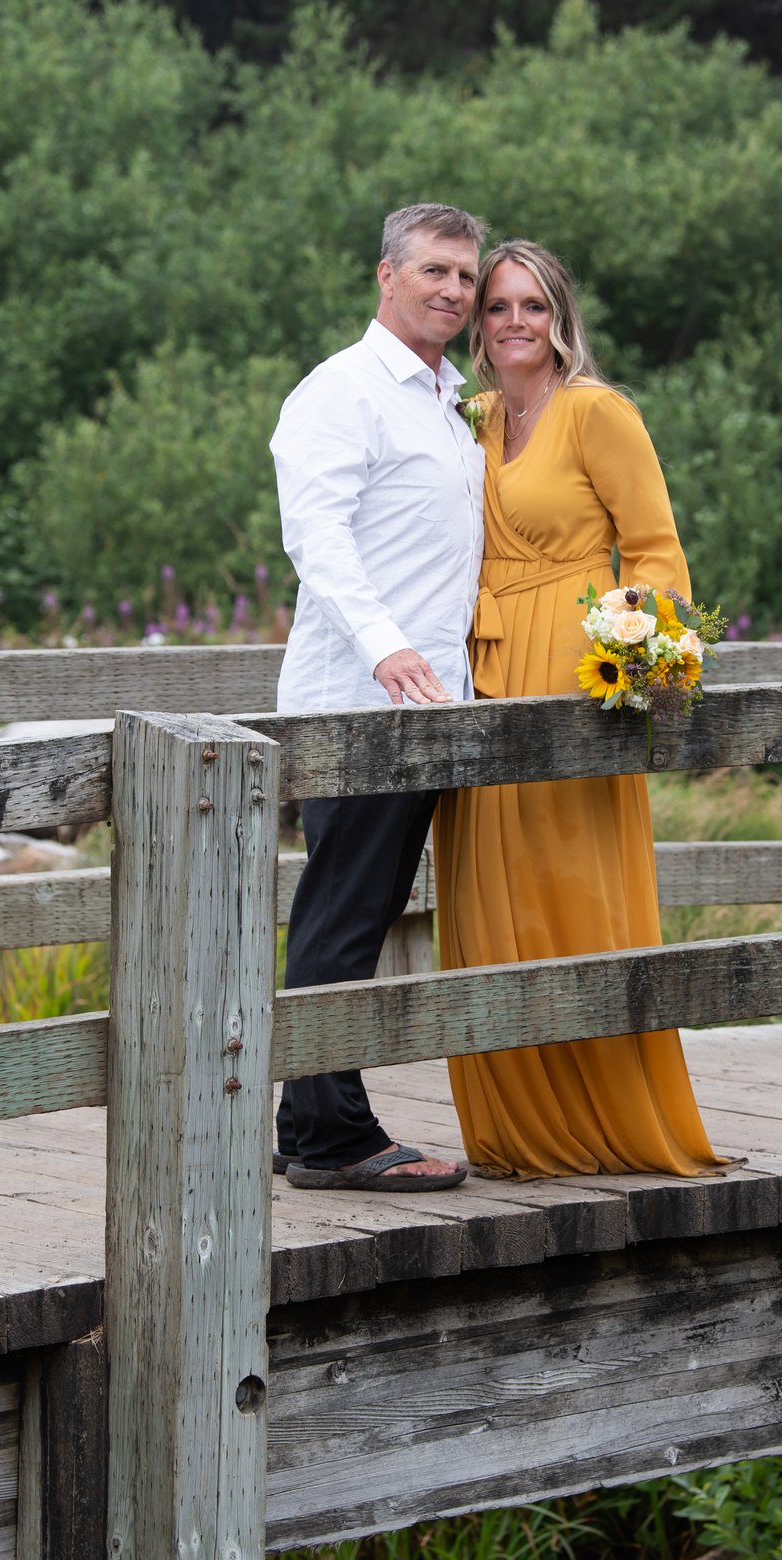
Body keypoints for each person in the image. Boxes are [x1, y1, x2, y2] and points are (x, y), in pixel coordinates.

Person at [431, 240, 726, 1178]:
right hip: (481, 667)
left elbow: (656, 550)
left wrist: (635, 653)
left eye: (532, 305)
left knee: (572, 886)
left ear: (561, 317)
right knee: (487, 893)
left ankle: (608, 1114)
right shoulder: (466, 418)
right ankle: (519, 1126)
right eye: (497, 307)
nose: (514, 322)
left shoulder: (597, 412)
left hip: (571, 667)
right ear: (478, 325)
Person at [268, 203, 486, 1192]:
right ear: (386, 276)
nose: (450, 290)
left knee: (365, 906)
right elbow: (316, 536)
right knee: (344, 912)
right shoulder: (342, 391)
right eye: (433, 270)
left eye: (463, 277)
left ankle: (308, 1119)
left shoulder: (445, 398)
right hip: (358, 701)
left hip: (428, 707)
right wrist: (386, 645)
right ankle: (332, 1138)